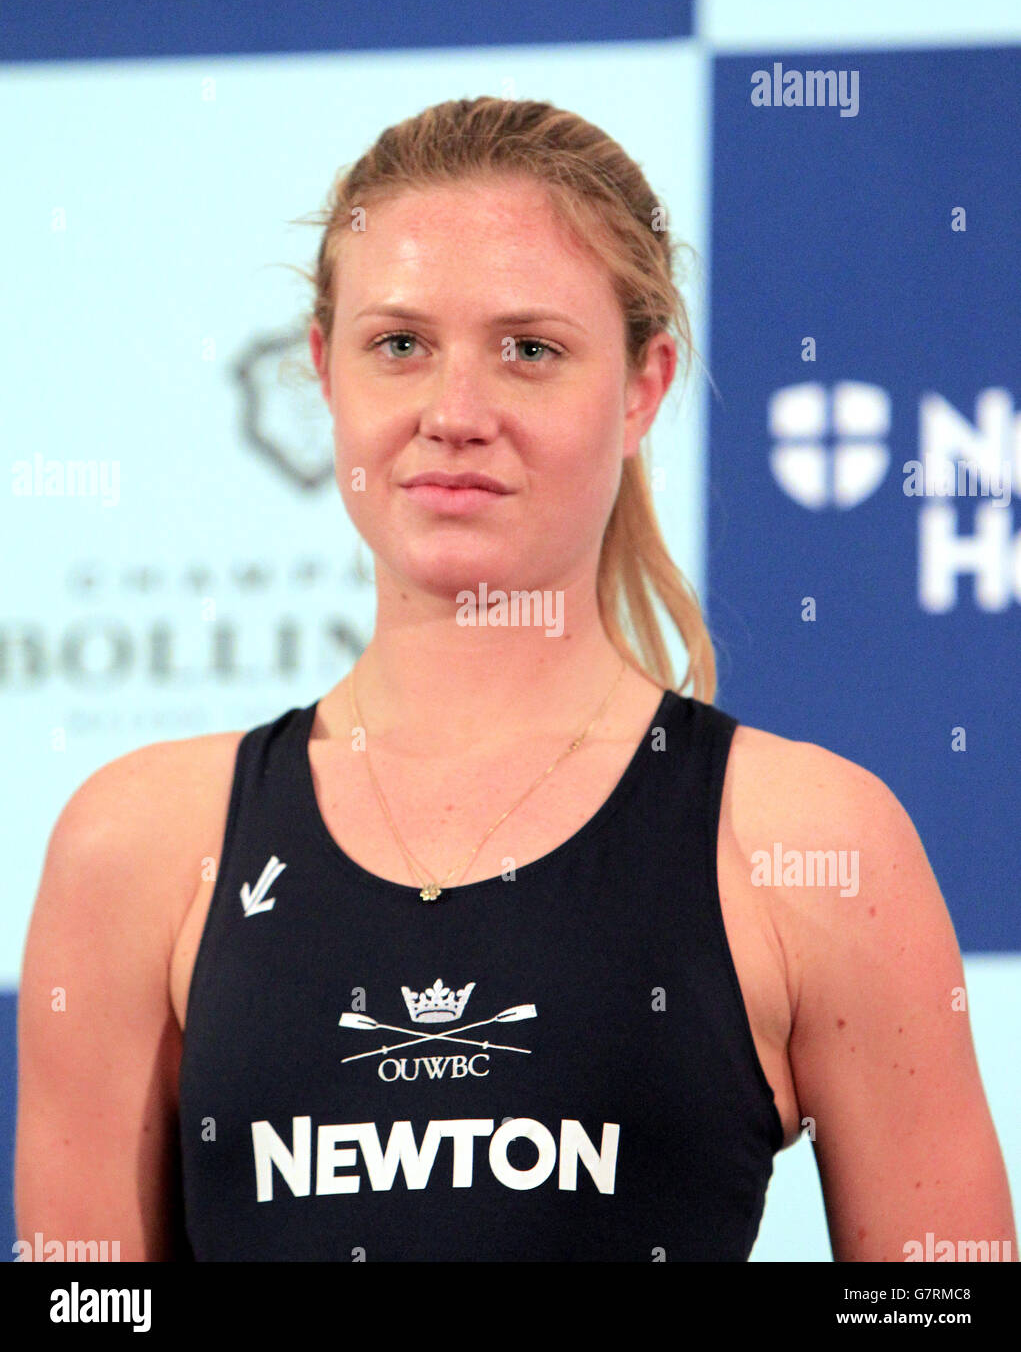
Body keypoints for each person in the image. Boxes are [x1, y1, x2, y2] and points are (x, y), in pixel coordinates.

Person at [15, 97, 1015, 1263]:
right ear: (322, 371)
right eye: (399, 345)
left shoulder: (809, 844)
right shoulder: (137, 845)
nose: (454, 414)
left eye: (529, 350)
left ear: (644, 386)